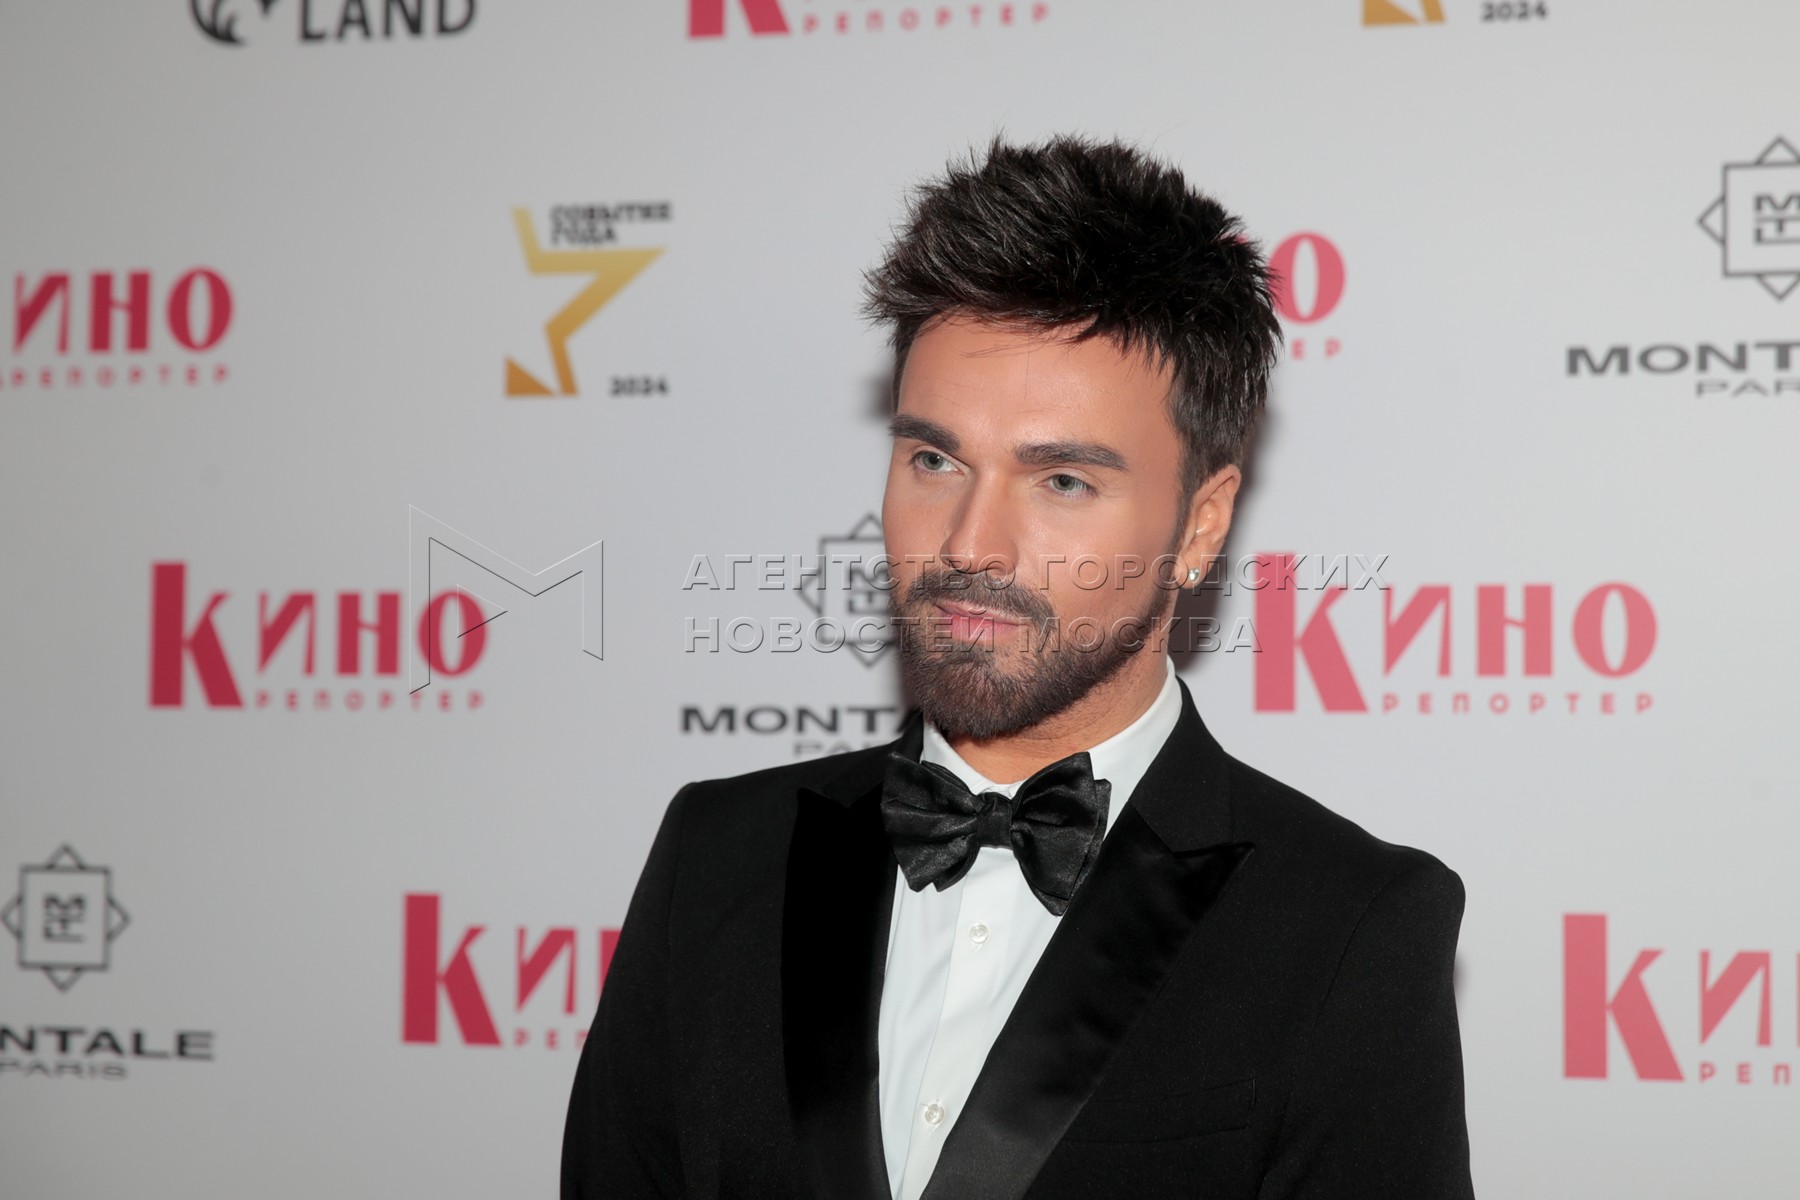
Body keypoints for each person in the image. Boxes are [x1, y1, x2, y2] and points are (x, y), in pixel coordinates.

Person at [561, 134, 1475, 1200]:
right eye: (934, 459)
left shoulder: (1351, 925)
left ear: (1200, 523)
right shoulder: (719, 855)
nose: (969, 545)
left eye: (1063, 482)